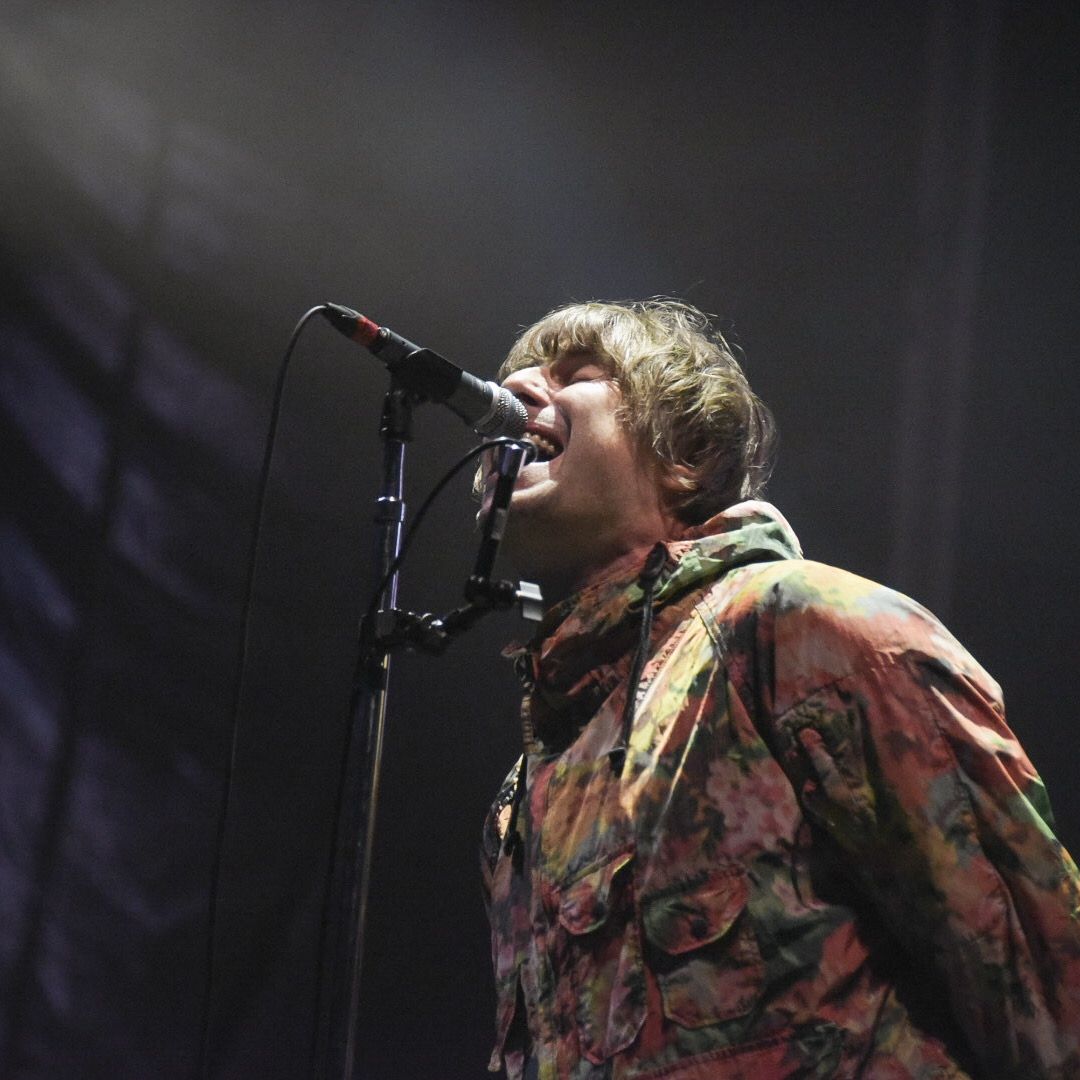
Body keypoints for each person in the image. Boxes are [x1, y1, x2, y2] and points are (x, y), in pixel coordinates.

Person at [478, 299, 1080, 1079]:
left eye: (578, 374)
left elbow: (1041, 981)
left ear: (684, 453)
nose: (521, 386)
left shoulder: (804, 627)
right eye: (520, 372)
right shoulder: (523, 794)